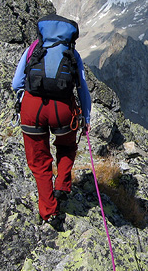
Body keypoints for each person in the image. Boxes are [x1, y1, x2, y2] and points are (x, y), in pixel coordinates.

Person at [12, 14, 92, 231]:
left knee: (39, 161)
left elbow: (16, 82)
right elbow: (82, 88)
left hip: (31, 109)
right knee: (67, 146)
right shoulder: (72, 53)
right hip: (63, 110)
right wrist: (86, 117)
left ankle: (49, 211)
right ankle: (63, 185)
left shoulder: (33, 50)